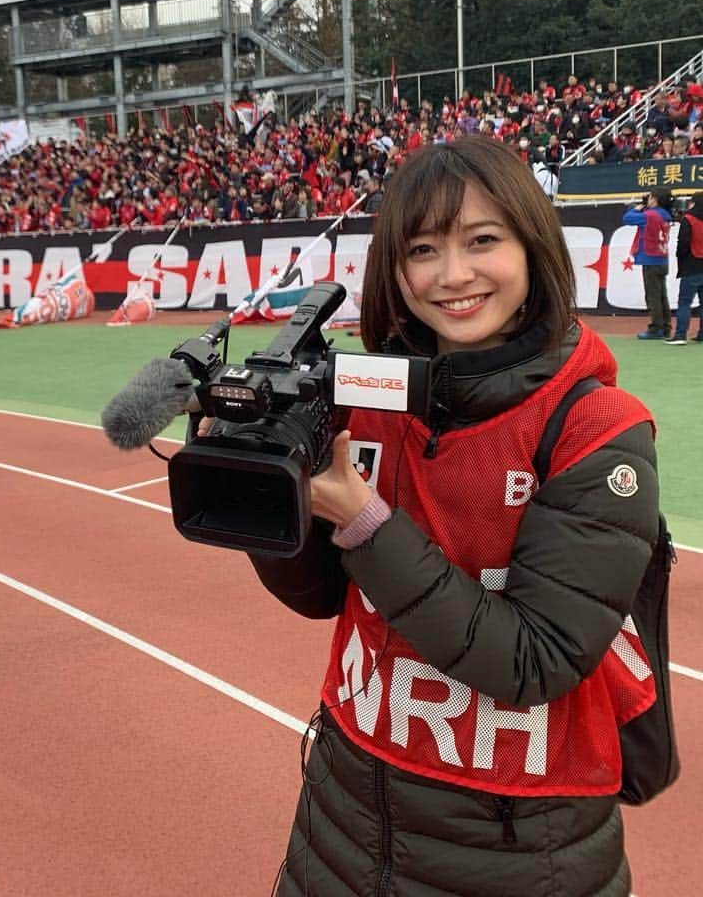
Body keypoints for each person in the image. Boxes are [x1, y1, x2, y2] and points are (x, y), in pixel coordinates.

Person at [244, 137, 660, 896]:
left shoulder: (597, 428)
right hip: (344, 812)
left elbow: (536, 661)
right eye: (423, 250)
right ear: (396, 274)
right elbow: (314, 596)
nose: (453, 276)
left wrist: (365, 521)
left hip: (521, 840)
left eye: (482, 241)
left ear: (533, 248)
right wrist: (265, 482)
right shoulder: (368, 396)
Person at [622, 191, 672, 339]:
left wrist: (637, 208)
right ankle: (665, 326)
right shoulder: (665, 215)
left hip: (650, 259)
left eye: (649, 198)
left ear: (655, 199)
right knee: (662, 295)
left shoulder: (650, 215)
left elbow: (627, 219)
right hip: (662, 258)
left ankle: (656, 328)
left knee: (653, 296)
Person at [665, 193, 703, 344]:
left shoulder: (688, 219)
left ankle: (680, 335)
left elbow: (683, 244)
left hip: (691, 266)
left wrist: (680, 258)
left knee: (684, 302)